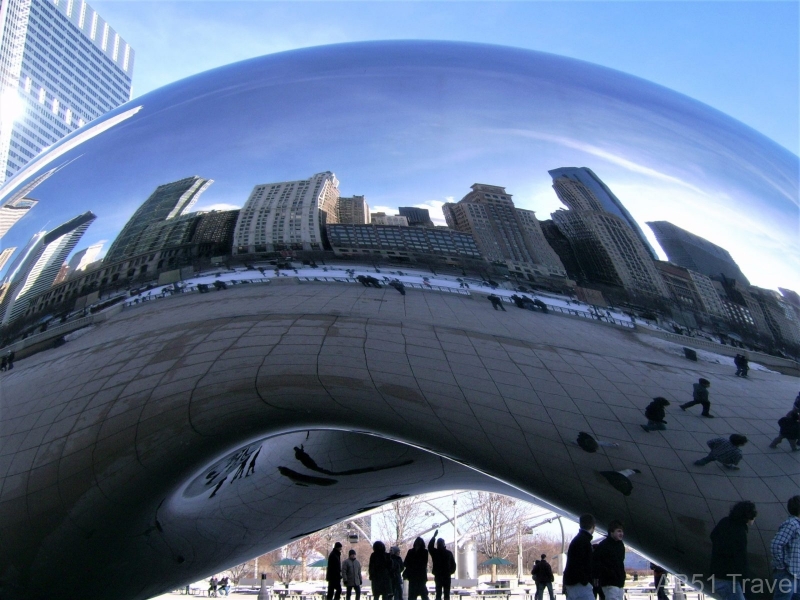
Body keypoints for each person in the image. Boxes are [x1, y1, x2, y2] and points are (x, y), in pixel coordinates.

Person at [709, 501, 757, 600]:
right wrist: (748, 588)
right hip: (730, 579)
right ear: (748, 516)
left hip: (717, 575)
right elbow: (741, 561)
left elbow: (713, 536)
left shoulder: (724, 521)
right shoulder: (740, 532)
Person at [770, 495, 800, 600]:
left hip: (796, 573)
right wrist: (781, 566)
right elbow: (776, 544)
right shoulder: (792, 524)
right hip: (787, 573)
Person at [563, 514, 595, 600]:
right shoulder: (585, 542)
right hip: (581, 584)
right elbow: (584, 564)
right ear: (593, 526)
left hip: (572, 582)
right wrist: (587, 581)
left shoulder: (577, 540)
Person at [593, 521, 626, 600]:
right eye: (618, 531)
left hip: (619, 583)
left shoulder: (620, 545)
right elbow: (597, 564)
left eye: (622, 531)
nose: (621, 533)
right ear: (611, 532)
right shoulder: (604, 546)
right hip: (609, 583)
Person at [429, 529, 456, 600]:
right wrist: (450, 572)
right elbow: (453, 565)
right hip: (446, 576)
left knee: (438, 594)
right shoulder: (448, 553)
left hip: (438, 575)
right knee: (446, 595)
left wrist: (434, 537)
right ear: (444, 544)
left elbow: (430, 547)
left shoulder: (435, 553)